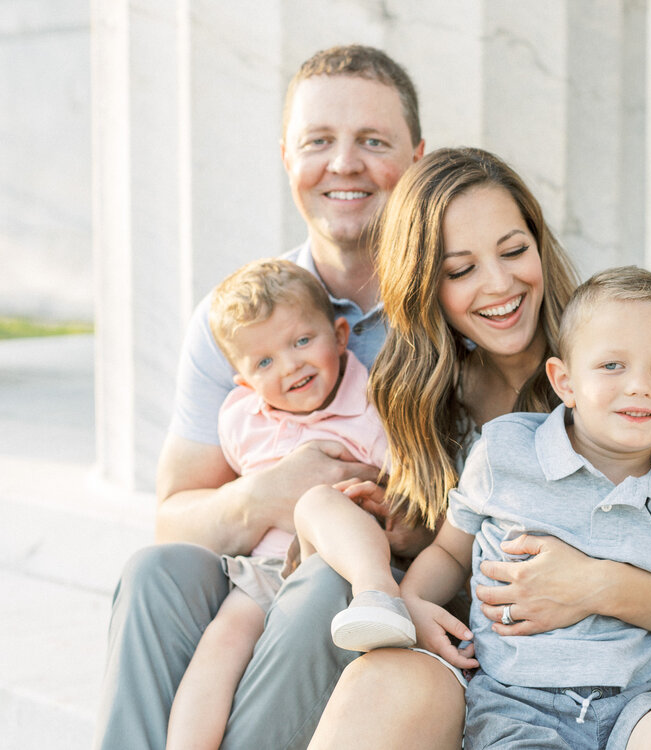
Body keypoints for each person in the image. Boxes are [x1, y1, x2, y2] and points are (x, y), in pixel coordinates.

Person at [307, 148, 651, 749]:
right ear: (425, 284)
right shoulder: (425, 394)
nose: (499, 284)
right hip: (487, 671)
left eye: (514, 251)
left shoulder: (641, 384)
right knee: (366, 665)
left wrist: (593, 585)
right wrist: (405, 566)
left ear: (539, 246)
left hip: (629, 685)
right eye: (459, 268)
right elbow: (455, 544)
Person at [93, 45, 429, 750]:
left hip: (380, 579)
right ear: (287, 158)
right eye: (318, 142)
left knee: (324, 589)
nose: (343, 164)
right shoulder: (241, 320)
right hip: (262, 562)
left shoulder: (442, 305)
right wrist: (268, 494)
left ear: (417, 157)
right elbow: (174, 516)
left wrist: (396, 518)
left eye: (372, 141)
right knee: (157, 571)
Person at [400, 266, 651, 749]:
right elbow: (450, 553)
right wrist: (412, 600)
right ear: (565, 381)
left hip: (639, 709)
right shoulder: (505, 454)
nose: (639, 385)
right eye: (612, 365)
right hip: (515, 706)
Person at [165, 258, 398, 749]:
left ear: (339, 336)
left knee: (319, 502)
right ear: (244, 382)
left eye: (301, 342)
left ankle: (380, 598)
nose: (290, 366)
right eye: (264, 362)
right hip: (264, 569)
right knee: (221, 645)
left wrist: (381, 491)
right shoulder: (242, 419)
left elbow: (407, 492)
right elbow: (190, 499)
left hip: (340, 569)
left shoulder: (373, 406)